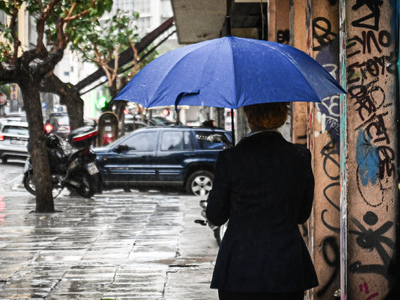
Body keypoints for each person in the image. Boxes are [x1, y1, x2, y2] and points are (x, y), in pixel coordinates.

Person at [206, 102, 318, 300]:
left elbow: (216, 215)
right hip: (286, 266)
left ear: (248, 115)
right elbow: (302, 215)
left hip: (239, 268)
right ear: (282, 115)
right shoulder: (300, 156)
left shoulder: (230, 158)